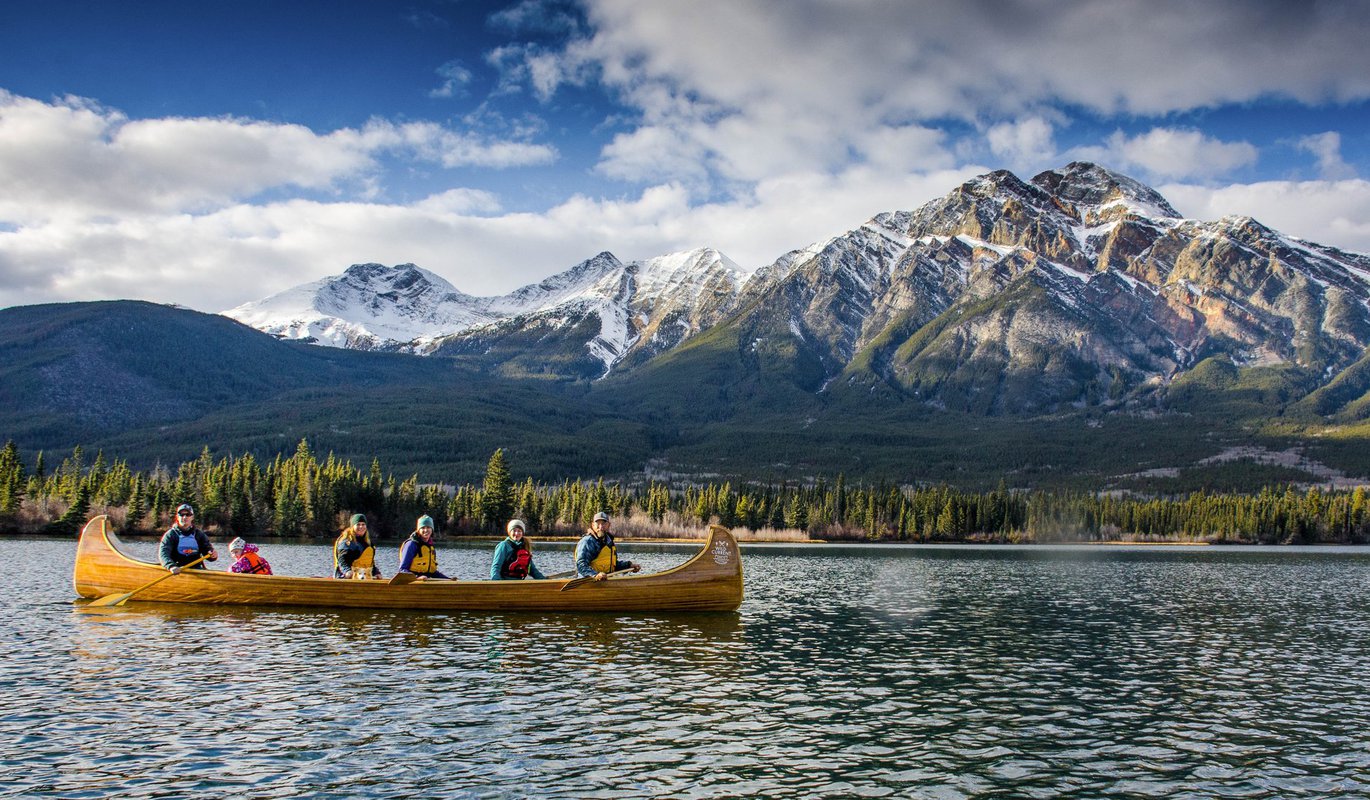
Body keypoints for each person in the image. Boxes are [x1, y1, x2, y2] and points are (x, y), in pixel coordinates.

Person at [574, 511, 640, 580]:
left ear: (608, 525)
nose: (601, 527)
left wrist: (629, 566)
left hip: (606, 581)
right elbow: (581, 565)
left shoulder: (608, 541)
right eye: (598, 524)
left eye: (603, 524)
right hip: (589, 582)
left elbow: (613, 565)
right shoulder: (587, 542)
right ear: (593, 525)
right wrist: (595, 575)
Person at [158, 503, 217, 573]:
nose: (185, 517)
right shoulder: (170, 535)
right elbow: (163, 554)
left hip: (196, 570)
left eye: (188, 515)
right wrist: (171, 566)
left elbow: (208, 552)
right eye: (181, 515)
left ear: (192, 517)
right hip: (176, 569)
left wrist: (212, 555)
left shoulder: (199, 534)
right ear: (177, 517)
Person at [398, 515, 449, 580]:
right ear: (418, 530)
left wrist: (449, 579)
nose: (426, 530)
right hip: (412, 582)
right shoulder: (411, 545)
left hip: (425, 581)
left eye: (428, 527)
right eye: (423, 528)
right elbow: (402, 570)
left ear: (432, 529)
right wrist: (417, 578)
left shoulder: (430, 547)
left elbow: (432, 572)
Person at [334, 513, 381, 579]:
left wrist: (376, 572)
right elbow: (342, 561)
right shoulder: (346, 542)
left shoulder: (368, 543)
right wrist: (347, 571)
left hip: (363, 577)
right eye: (358, 524)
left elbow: (370, 564)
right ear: (353, 526)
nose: (361, 527)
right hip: (346, 577)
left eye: (363, 524)